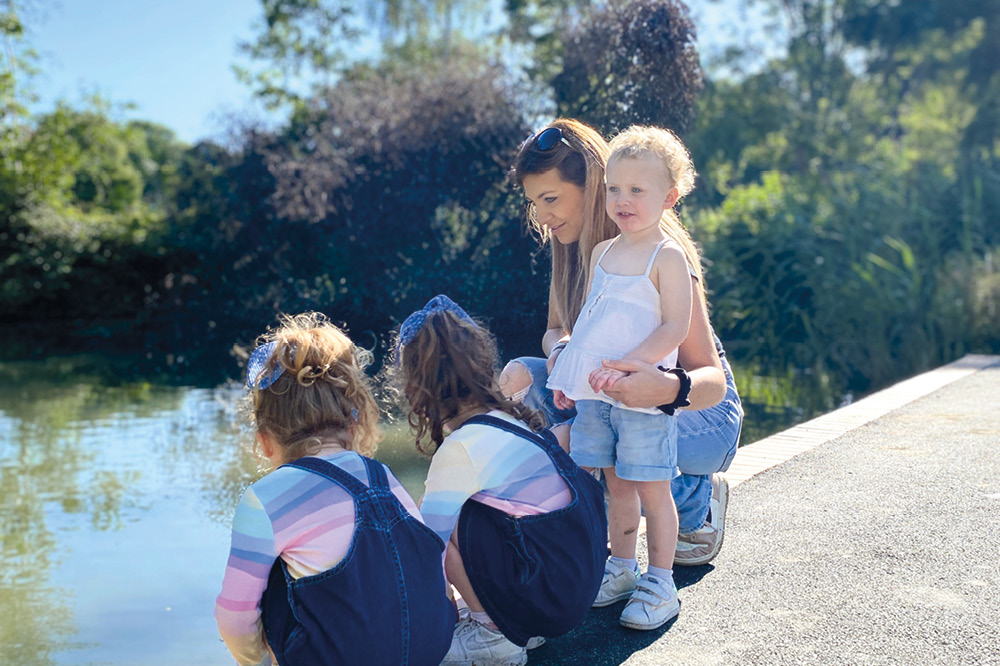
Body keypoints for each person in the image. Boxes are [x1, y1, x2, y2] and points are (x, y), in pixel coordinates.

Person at [502, 118, 743, 569]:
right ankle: (579, 523)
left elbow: (709, 383)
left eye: (550, 199)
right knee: (519, 377)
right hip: (613, 390)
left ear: (594, 184)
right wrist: (563, 354)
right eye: (535, 203)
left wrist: (665, 389)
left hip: (699, 413)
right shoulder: (581, 249)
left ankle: (696, 501)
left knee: (581, 436)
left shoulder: (661, 252)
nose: (542, 216)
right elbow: (556, 330)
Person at [214, 312, 455, 666]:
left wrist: (260, 662)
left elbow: (232, 618)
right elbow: (428, 561)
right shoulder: (381, 474)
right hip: (427, 650)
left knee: (269, 583)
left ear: (264, 440)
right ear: (352, 418)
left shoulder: (267, 498)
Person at [393, 295, 607, 666]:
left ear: (419, 387)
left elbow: (428, 552)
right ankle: (514, 623)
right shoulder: (511, 419)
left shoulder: (460, 450)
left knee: (429, 528)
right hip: (574, 587)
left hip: (548, 597)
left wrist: (430, 627)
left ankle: (493, 635)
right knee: (469, 511)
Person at [542, 124, 693, 630]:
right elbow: (588, 325)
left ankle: (661, 581)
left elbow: (676, 325)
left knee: (652, 488)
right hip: (601, 397)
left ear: (668, 197)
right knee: (617, 486)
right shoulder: (602, 254)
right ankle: (622, 568)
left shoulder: (667, 256)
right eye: (613, 189)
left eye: (636, 190)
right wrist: (569, 372)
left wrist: (634, 364)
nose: (621, 200)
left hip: (642, 396)